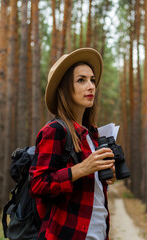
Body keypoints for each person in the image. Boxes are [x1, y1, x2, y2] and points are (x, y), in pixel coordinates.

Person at [29, 48, 116, 240]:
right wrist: (81, 169)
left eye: (92, 80)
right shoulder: (55, 131)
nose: (91, 86)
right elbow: (37, 185)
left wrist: (104, 177)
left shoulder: (92, 135)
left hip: (97, 233)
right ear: (64, 88)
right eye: (81, 80)